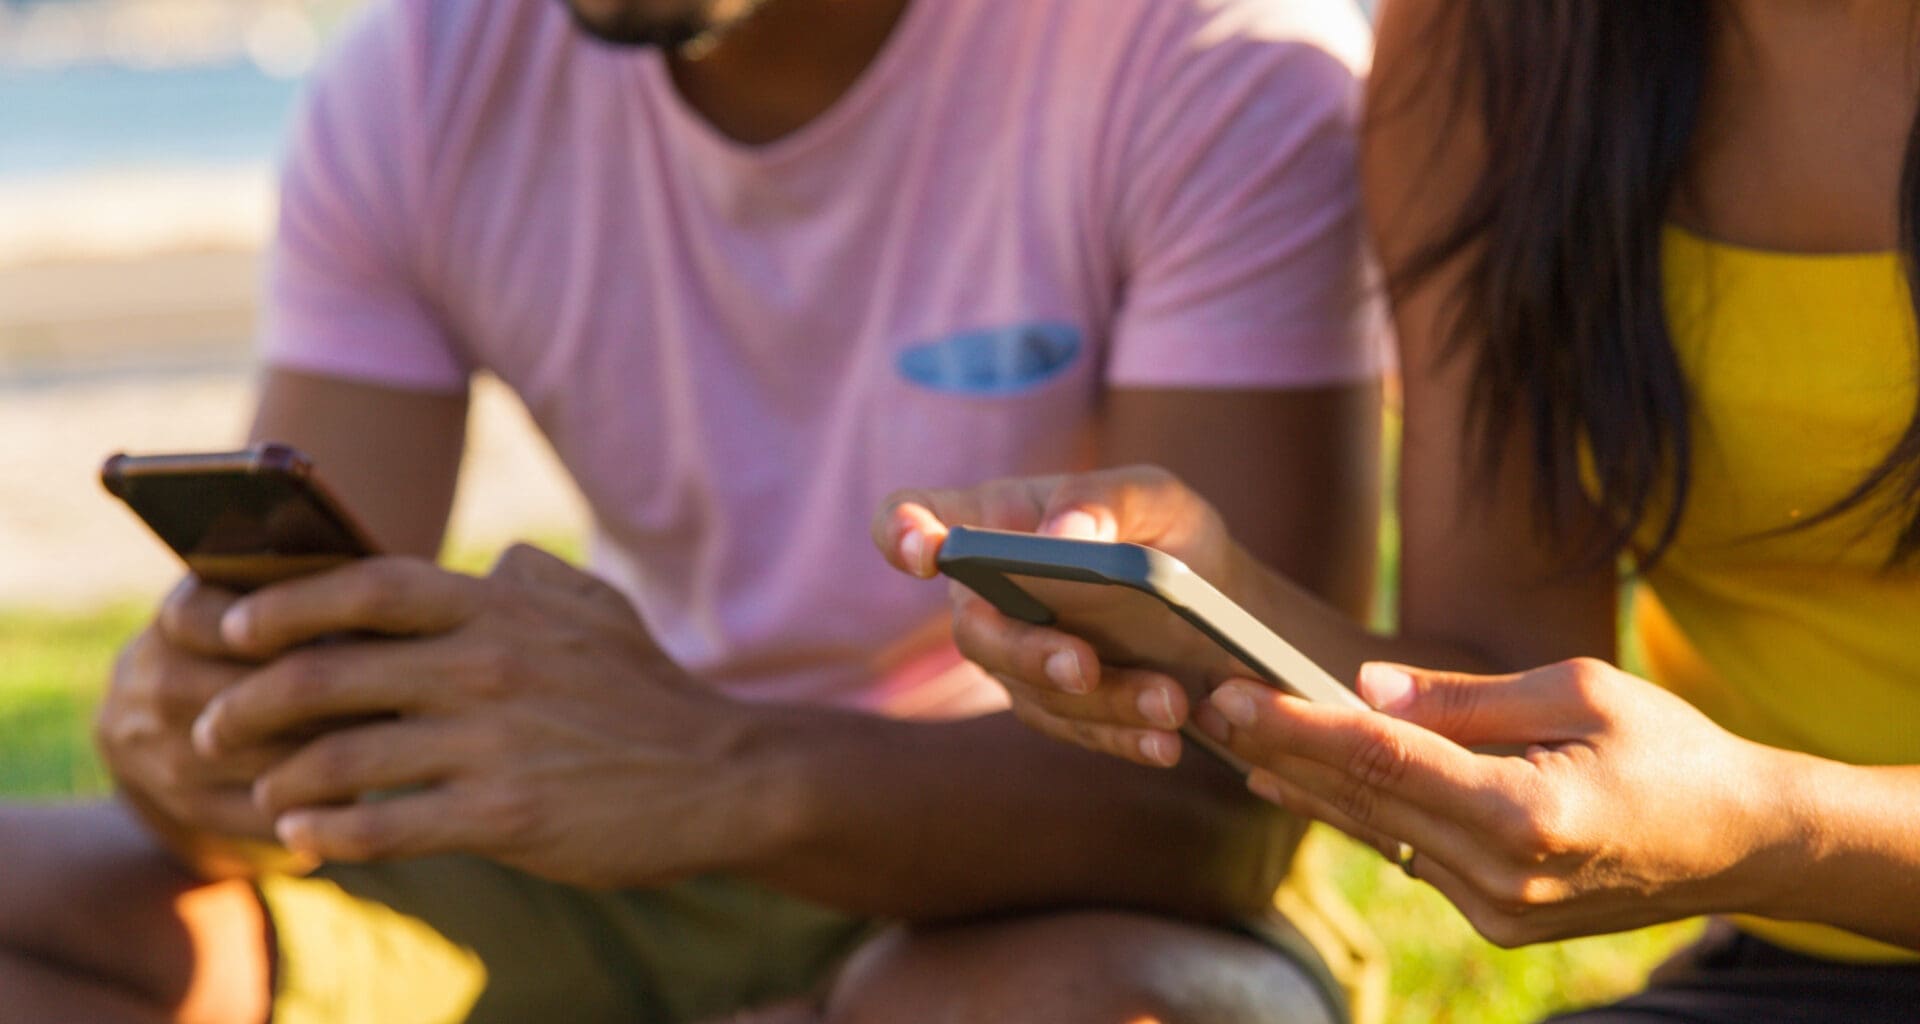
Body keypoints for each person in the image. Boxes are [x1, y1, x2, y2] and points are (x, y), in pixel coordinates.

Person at [0, 0, 1389, 1021]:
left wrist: (718, 766)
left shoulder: (1204, 64)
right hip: (590, 848)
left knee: (1122, 1005)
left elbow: (1221, 811)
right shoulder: (421, 76)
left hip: (1012, 857)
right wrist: (193, 754)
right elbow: (302, 691)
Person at [877, 0, 1920, 1020]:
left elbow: (1756, 824)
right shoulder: (1502, 42)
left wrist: (1776, 829)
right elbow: (1500, 685)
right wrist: (1210, 614)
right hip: (1797, 966)